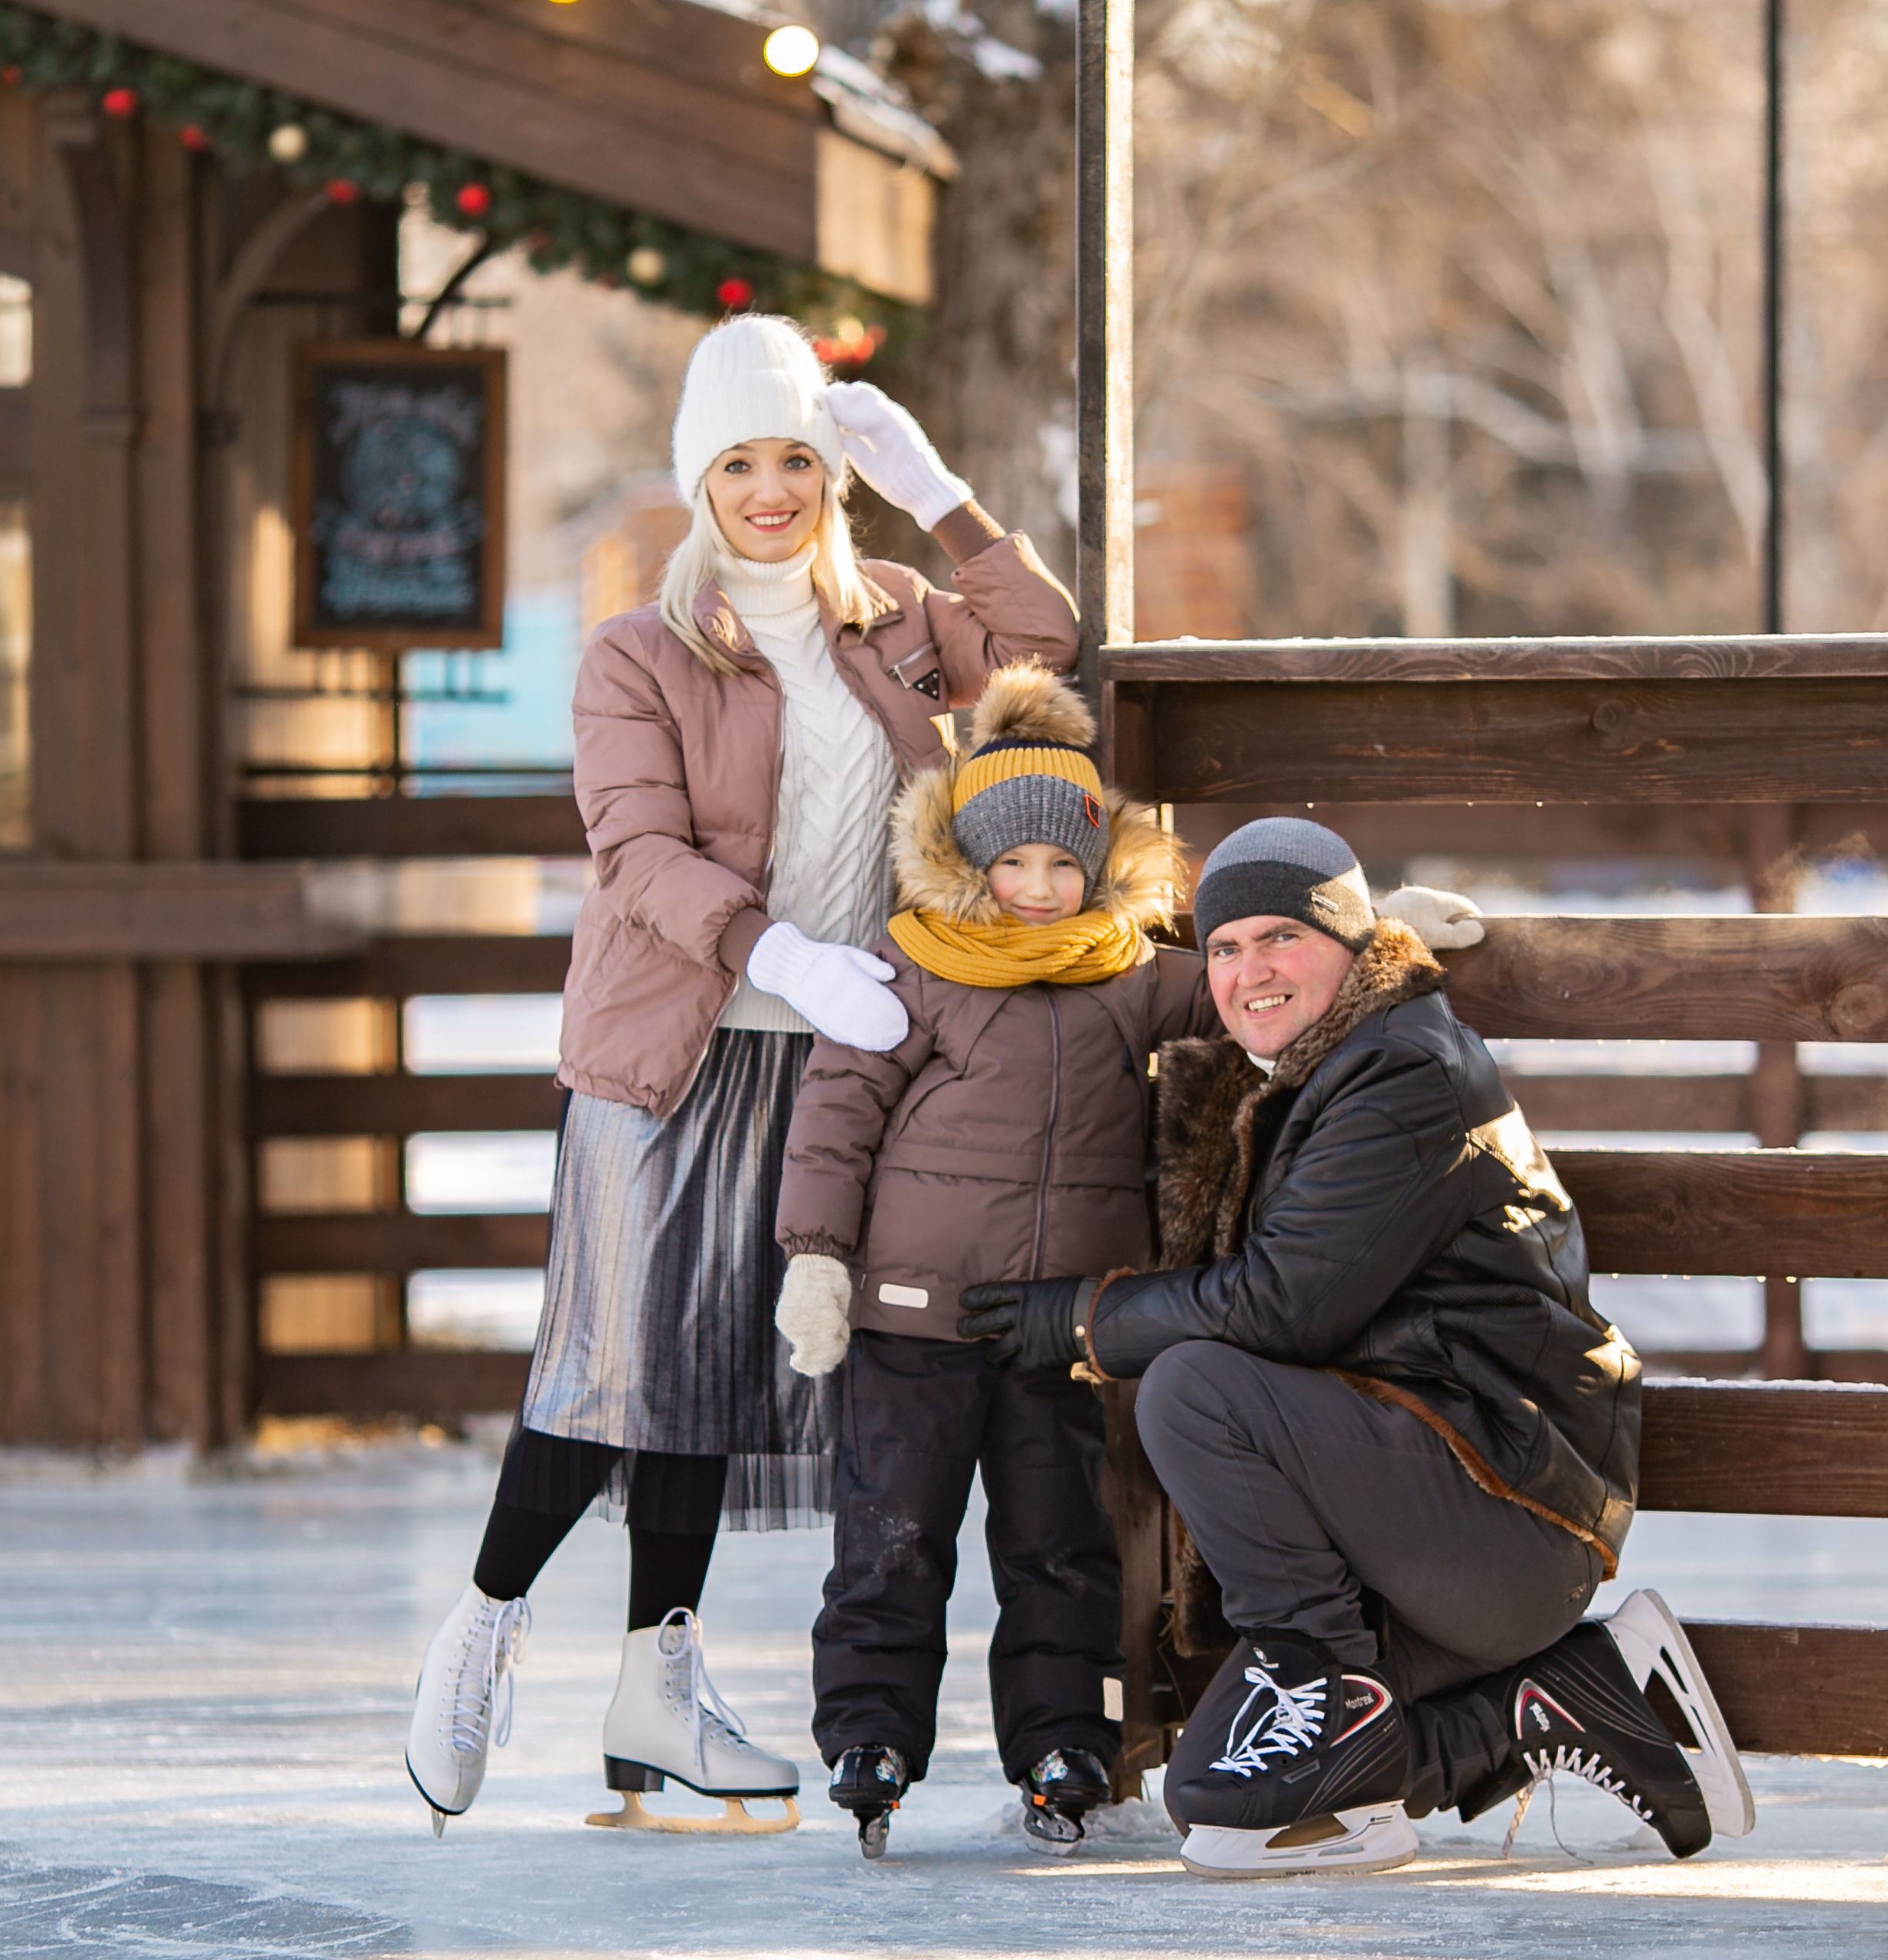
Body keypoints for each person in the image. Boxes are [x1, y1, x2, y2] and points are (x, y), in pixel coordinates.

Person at [404, 315, 1080, 1837]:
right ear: (696, 479)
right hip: (672, 1052)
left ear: (833, 472)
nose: (769, 487)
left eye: (795, 457)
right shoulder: (638, 652)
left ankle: (657, 1687)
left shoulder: (898, 617)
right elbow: (635, 852)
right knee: (615, 1365)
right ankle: (482, 1626)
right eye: (738, 461)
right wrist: (781, 955)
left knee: (709, 1377)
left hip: (832, 1064)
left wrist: (945, 496)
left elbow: (1043, 648)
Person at [957, 817, 1754, 1879]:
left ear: (1351, 941)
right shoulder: (1316, 1071)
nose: (1250, 971)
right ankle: (1551, 1701)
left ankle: (1323, 1680)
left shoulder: (1407, 1073)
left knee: (1195, 1387)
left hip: (1504, 1508)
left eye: (1281, 935)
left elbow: (1285, 1308)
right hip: (1418, 1520)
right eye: (1226, 948)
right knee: (1216, 1802)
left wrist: (1084, 1321)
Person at [773, 715, 1489, 1859]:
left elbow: (1254, 993)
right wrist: (815, 1254)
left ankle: (1065, 1739)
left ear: (1099, 868)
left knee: (1060, 1541)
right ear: (969, 864)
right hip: (911, 1312)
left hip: (1060, 1322)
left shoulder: (1125, 973)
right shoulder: (913, 968)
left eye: (1065, 865)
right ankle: (871, 1733)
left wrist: (1379, 930)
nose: (1041, 889)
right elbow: (838, 1113)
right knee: (892, 1532)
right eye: (1014, 864)